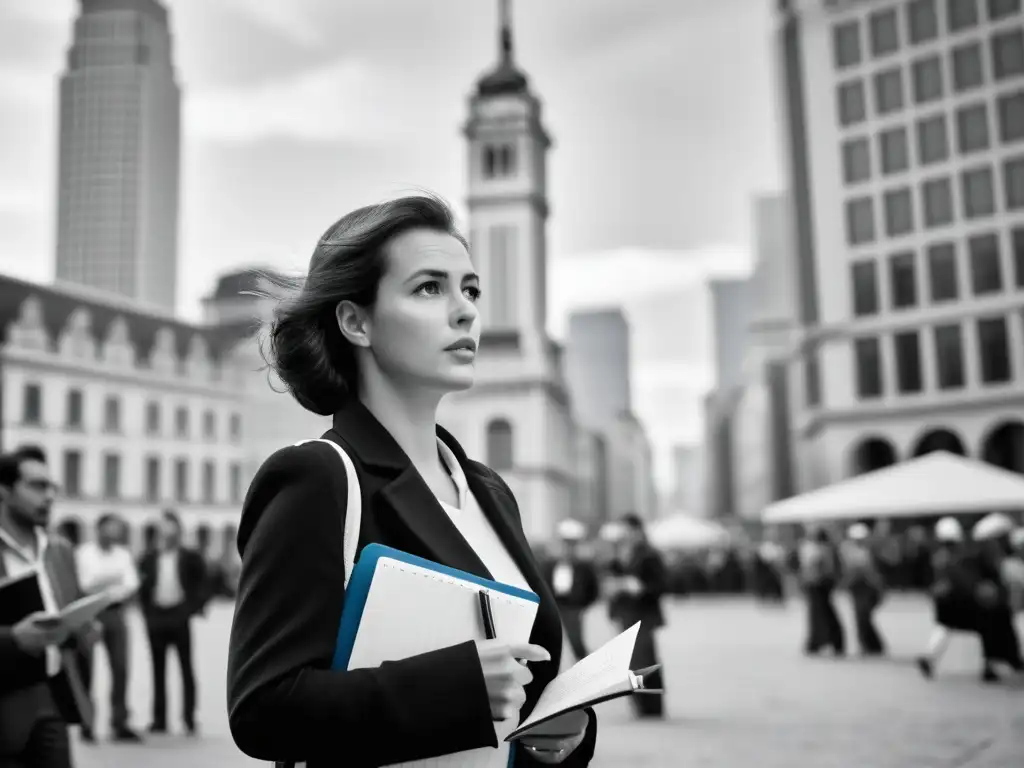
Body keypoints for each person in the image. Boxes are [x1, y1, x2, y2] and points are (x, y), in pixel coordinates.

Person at [226, 195, 598, 767]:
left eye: (470, 289)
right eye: (430, 288)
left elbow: (531, 685)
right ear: (356, 321)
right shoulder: (317, 477)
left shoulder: (487, 490)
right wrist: (459, 688)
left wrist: (564, 734)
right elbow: (263, 707)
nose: (466, 310)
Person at [0, 446, 97, 767]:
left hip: (51, 698)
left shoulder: (59, 550)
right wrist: (14, 638)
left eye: (51, 487)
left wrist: (84, 627)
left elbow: (73, 607)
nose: (50, 496)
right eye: (37, 486)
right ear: (5, 490)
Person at [137, 510, 207, 735]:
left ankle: (189, 717)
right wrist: (146, 612)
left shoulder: (189, 556)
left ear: (178, 529)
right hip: (156, 617)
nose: (167, 531)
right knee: (158, 669)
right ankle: (160, 719)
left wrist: (192, 609)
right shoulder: (149, 557)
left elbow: (204, 583)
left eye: (171, 526)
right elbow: (141, 587)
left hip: (179, 616)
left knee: (186, 668)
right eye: (163, 526)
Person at [75, 513, 143, 743]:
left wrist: (104, 583)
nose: (115, 532)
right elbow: (85, 583)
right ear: (99, 529)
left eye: (117, 528)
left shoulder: (123, 554)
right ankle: (87, 722)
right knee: (88, 670)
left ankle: (120, 721)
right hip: (90, 613)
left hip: (115, 611)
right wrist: (113, 580)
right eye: (110, 528)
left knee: (121, 667)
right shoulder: (84, 553)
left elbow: (131, 584)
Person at [604, 513, 666, 719]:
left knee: (645, 659)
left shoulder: (650, 554)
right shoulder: (620, 553)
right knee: (629, 661)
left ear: (638, 531)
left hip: (643, 613)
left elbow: (661, 585)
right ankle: (641, 705)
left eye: (628, 530)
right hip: (625, 613)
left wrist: (639, 587)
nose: (626, 535)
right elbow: (611, 580)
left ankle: (653, 706)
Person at [542, 519, 599, 662]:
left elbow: (593, 589)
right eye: (565, 543)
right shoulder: (549, 565)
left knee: (575, 640)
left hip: (574, 608)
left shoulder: (584, 566)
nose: (568, 547)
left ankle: (583, 666)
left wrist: (582, 605)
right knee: (551, 639)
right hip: (554, 606)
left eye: (571, 543)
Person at [839, 523, 885, 656]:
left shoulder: (870, 549)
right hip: (857, 586)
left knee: (864, 616)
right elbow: (852, 569)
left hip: (869, 586)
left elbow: (873, 570)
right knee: (861, 616)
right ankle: (867, 644)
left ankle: (872, 644)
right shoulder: (847, 549)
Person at [799, 527, 845, 657]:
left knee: (819, 614)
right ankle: (826, 641)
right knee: (821, 613)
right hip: (821, 584)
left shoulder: (821, 549)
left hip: (818, 584)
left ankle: (821, 641)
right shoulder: (826, 548)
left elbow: (815, 567)